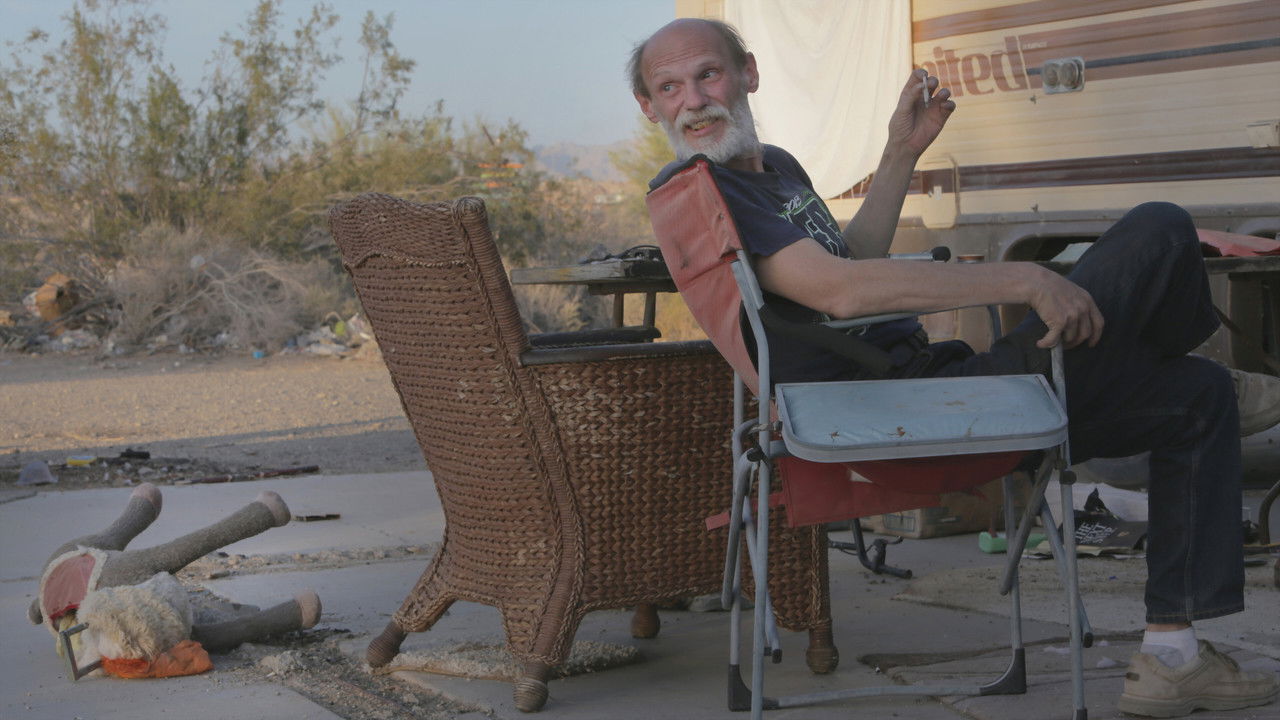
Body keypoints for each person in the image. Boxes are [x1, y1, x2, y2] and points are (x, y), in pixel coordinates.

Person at [629, 17, 1280, 719]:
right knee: (1159, 229)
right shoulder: (702, 191)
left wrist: (900, 152)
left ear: (748, 74)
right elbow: (839, 291)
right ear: (650, 107)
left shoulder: (775, 170)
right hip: (899, 419)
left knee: (1197, 397)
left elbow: (851, 258)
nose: (694, 100)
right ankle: (1182, 360)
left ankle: (1172, 658)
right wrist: (1026, 277)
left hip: (938, 394)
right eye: (670, 87)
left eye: (707, 74)